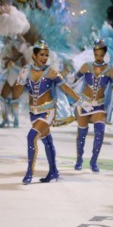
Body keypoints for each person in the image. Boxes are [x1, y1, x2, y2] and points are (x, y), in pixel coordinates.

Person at [12, 40, 91, 184]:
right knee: (47, 141)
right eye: (41, 54)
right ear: (34, 55)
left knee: (31, 137)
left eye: (46, 55)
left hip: (48, 112)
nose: (44, 57)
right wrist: (20, 80)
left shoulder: (51, 72)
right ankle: (53, 171)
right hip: (33, 113)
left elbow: (66, 88)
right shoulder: (26, 70)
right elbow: (15, 94)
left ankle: (29, 173)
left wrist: (81, 101)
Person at [73, 39, 113, 172]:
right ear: (93, 53)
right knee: (82, 133)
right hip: (85, 103)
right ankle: (79, 159)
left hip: (99, 104)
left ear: (105, 54)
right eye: (96, 54)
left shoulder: (110, 70)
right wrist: (69, 77)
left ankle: (94, 161)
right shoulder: (86, 66)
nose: (99, 57)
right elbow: (75, 79)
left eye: (101, 55)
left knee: (100, 131)